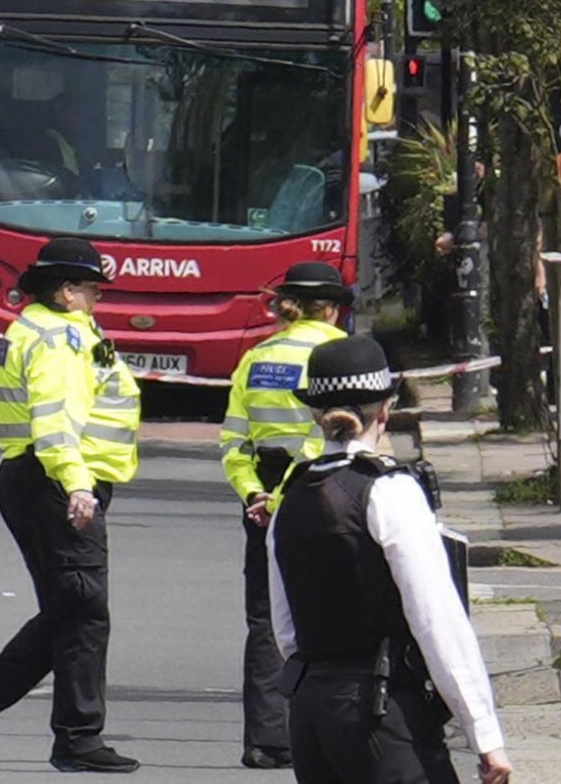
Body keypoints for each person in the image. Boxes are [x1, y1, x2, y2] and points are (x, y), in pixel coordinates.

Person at [269, 335, 512, 784]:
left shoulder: (292, 495)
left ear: (315, 414)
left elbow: (285, 630)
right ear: (384, 409)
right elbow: (436, 619)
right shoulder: (389, 491)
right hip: (381, 710)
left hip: (312, 710)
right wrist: (484, 733)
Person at [0, 238, 142, 774]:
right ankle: (71, 735)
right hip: (56, 478)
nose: (98, 298)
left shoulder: (42, 327)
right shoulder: (59, 339)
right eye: (93, 289)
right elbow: (55, 419)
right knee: (84, 612)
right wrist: (78, 484)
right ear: (67, 291)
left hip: (38, 478)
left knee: (72, 608)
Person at [218, 261, 351, 770]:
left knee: (265, 618)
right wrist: (285, 494)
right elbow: (331, 437)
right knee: (332, 616)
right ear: (331, 308)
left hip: (262, 499)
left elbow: (234, 440)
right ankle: (322, 734)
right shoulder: (337, 355)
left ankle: (266, 740)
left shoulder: (256, 357)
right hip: (325, 492)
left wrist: (256, 495)